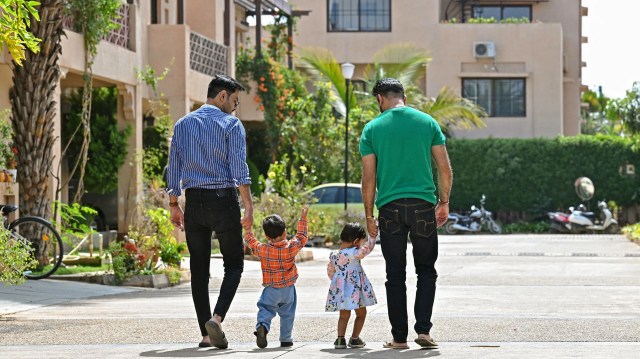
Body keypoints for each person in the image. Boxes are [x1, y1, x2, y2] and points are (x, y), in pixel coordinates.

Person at [359, 78, 453, 350]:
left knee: (395, 273)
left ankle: (399, 338)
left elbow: (369, 179)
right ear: (404, 96)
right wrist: (444, 201)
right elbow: (444, 168)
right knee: (426, 270)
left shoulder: (372, 129)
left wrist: (369, 216)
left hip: (390, 209)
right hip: (423, 206)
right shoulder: (427, 123)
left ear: (380, 99)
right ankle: (423, 331)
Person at [166, 75, 253, 349]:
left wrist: (173, 204)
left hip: (194, 203)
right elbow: (240, 171)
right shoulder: (230, 125)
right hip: (223, 200)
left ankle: (205, 334)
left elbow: (174, 167)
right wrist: (248, 206)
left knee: (199, 268)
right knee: (235, 264)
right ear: (223, 96)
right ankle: (216, 318)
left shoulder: (182, 124)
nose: (235, 108)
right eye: (235, 101)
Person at [243, 206, 309, 348]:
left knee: (265, 309)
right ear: (285, 233)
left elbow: (252, 242)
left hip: (271, 289)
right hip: (288, 290)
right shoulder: (291, 248)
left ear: (267, 236)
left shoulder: (263, 250)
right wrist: (303, 219)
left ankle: (263, 327)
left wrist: (248, 229)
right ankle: (286, 339)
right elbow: (301, 237)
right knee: (288, 314)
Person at [325, 222, 377, 349]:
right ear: (356, 241)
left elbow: (330, 271)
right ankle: (354, 339)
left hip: (342, 292)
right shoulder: (354, 252)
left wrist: (339, 284)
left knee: (343, 315)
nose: (362, 245)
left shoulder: (334, 255)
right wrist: (373, 236)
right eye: (361, 242)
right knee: (361, 313)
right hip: (355, 292)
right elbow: (368, 249)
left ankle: (340, 340)